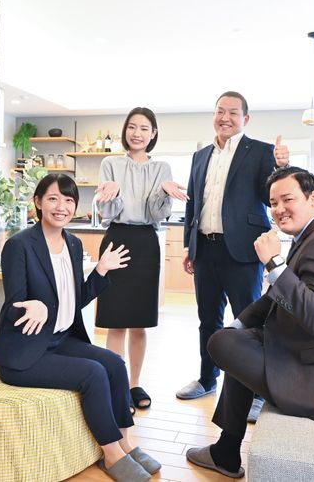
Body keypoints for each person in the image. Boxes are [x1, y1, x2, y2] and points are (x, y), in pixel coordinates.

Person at [185, 167, 314, 478]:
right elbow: (274, 298)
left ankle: (226, 451)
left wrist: (274, 263)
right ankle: (226, 450)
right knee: (231, 341)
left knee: (223, 344)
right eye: (273, 203)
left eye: (287, 199)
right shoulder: (311, 236)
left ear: (313, 198)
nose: (279, 209)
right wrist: (238, 325)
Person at [0, 174, 160, 482]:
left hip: (59, 339)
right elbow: (14, 306)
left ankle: (125, 442)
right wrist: (34, 305)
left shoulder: (73, 243)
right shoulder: (19, 246)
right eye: (53, 199)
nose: (62, 207)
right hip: (25, 352)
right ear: (38, 202)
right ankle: (111, 455)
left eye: (69, 200)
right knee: (93, 373)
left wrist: (100, 270)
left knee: (114, 363)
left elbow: (74, 300)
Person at [176, 91, 289, 425]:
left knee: (248, 322)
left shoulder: (261, 152)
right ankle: (207, 379)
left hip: (242, 250)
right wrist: (189, 246)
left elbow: (271, 195)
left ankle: (255, 392)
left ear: (245, 119)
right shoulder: (200, 156)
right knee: (207, 320)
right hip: (205, 248)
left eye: (233, 113)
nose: (225, 118)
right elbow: (192, 204)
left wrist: (282, 167)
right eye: (220, 111)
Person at [94, 106, 188, 411]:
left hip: (146, 243)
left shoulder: (162, 168)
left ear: (153, 134)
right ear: (125, 131)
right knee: (115, 321)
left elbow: (156, 214)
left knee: (139, 322)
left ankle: (134, 384)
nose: (137, 133)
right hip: (117, 240)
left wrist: (164, 193)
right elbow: (107, 211)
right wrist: (113, 193)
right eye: (132, 127)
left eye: (144, 128)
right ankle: (117, 386)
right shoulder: (110, 164)